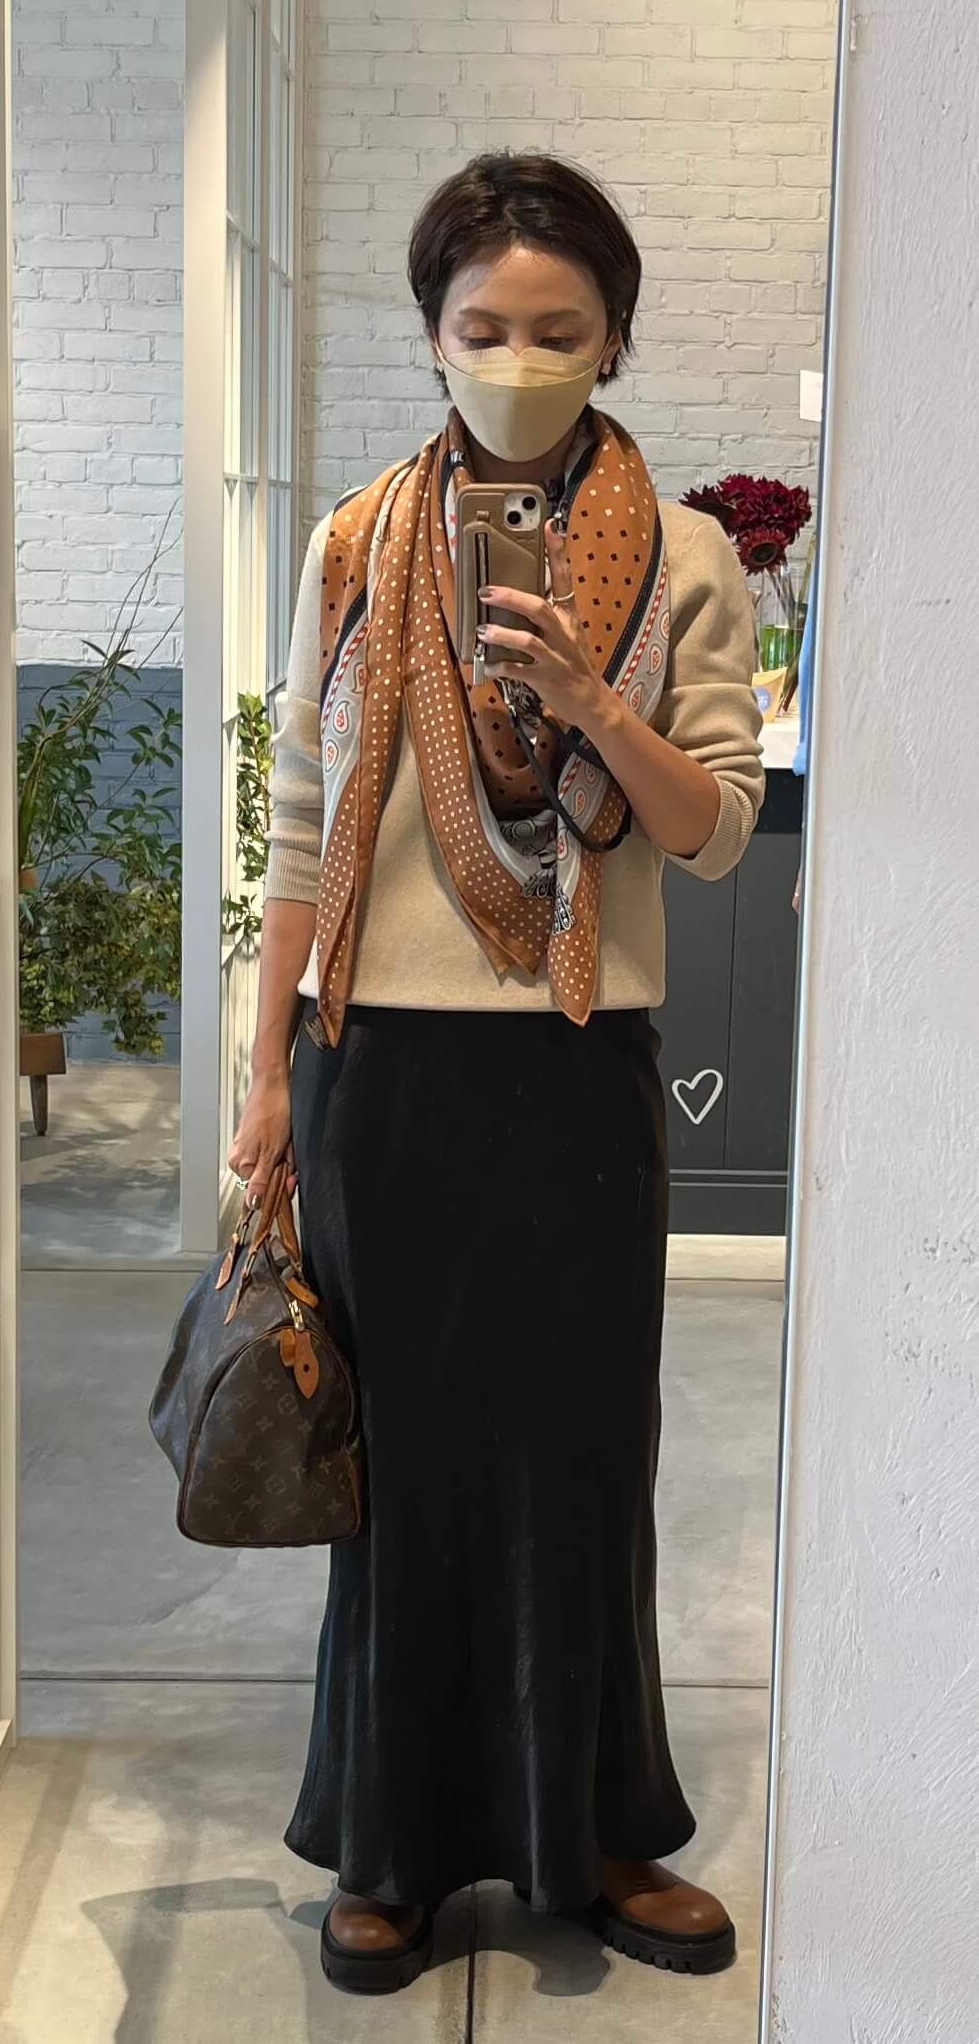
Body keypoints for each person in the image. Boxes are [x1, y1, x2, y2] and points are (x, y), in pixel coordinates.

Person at [228, 151, 765, 1995]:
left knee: (584, 1459)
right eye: (485, 326)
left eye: (559, 327)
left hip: (575, 1070)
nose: (519, 357)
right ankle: (390, 1843)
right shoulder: (353, 543)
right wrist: (266, 1072)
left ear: (614, 337)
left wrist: (593, 699)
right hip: (380, 1071)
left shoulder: (687, 558)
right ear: (432, 333)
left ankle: (593, 1830)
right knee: (401, 1476)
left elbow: (711, 832)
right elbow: (302, 821)